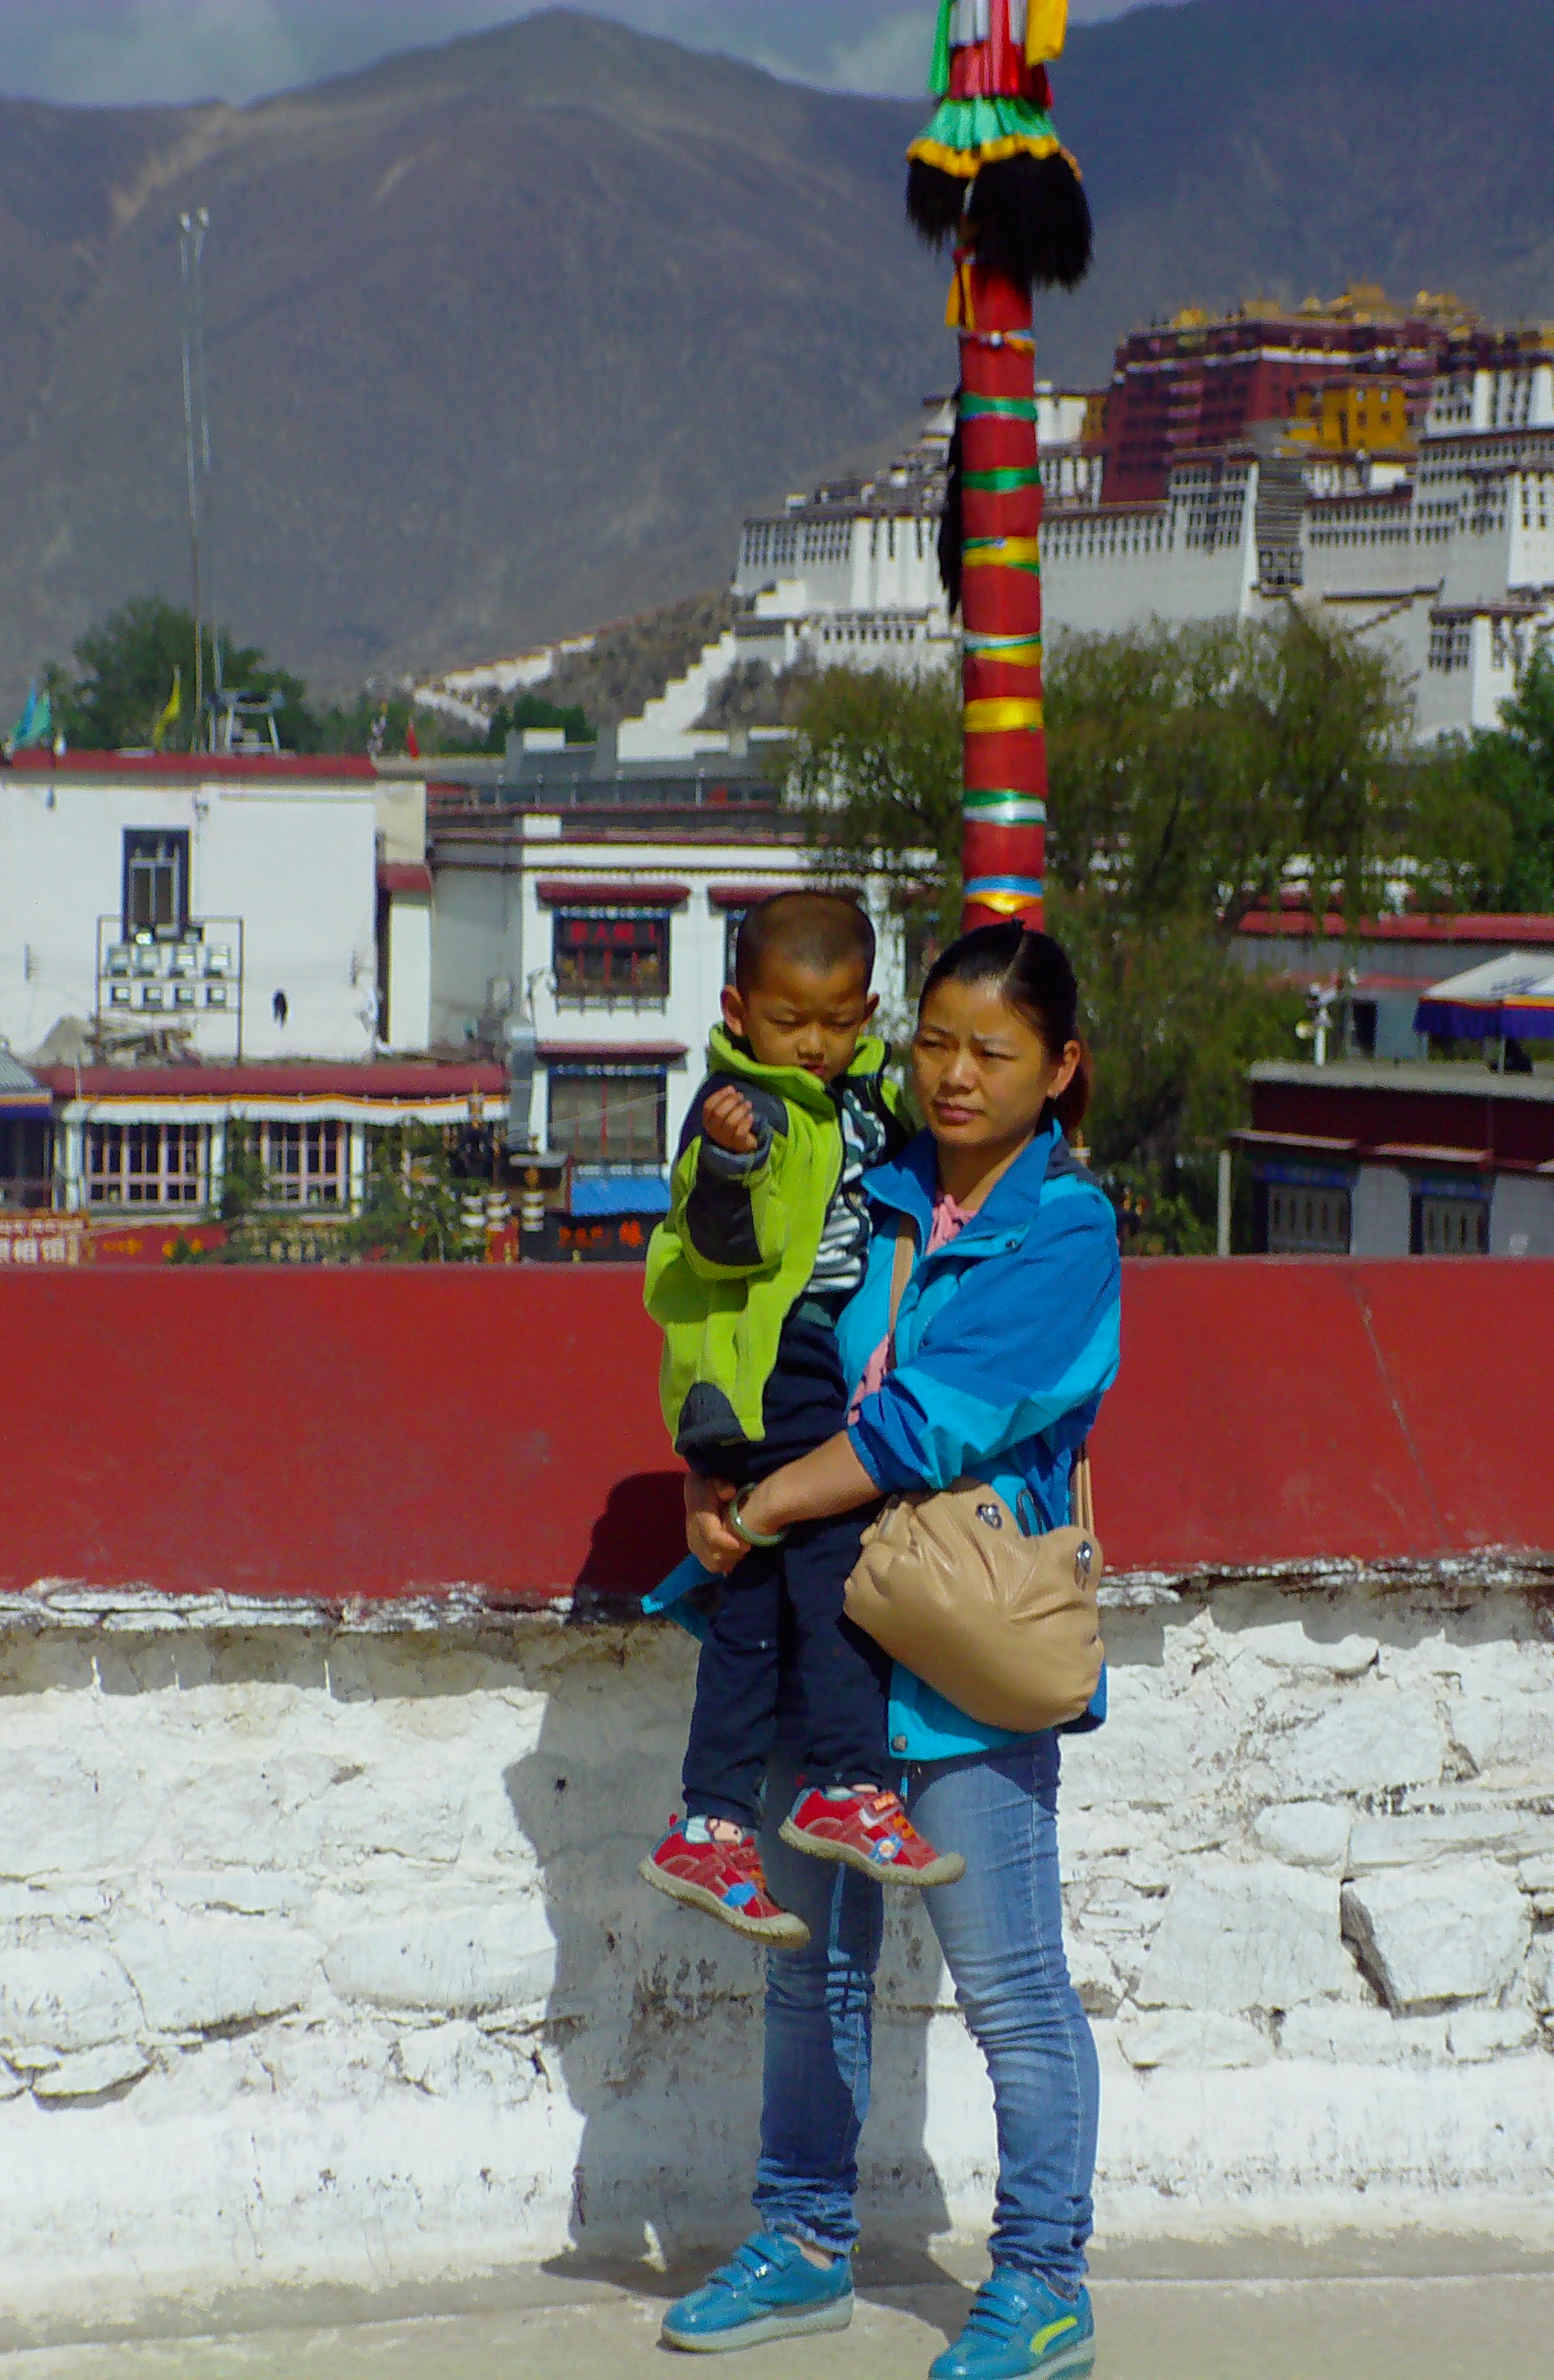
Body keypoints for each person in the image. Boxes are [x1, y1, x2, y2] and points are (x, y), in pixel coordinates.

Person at [659, 921, 1119, 2380]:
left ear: (1061, 1068)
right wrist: (713, 1468)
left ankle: (1042, 2277)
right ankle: (802, 2240)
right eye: (932, 1043)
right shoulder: (866, 1176)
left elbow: (930, 1422)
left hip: (964, 1652)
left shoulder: (1066, 1231)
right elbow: (751, 1325)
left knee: (1011, 1990)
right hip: (826, 1634)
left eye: (993, 1052)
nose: (954, 1076)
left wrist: (763, 1508)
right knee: (811, 1972)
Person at [642, 891, 964, 1944]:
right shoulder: (741, 1107)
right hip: (770, 1359)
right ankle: (845, 1782)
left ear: (866, 1014)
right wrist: (731, 1162)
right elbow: (715, 1242)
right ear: (737, 1012)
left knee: (757, 1599)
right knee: (836, 1553)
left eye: (835, 1023)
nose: (813, 1045)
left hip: (788, 1358)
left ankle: (712, 1822)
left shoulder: (859, 1095)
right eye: (788, 1023)